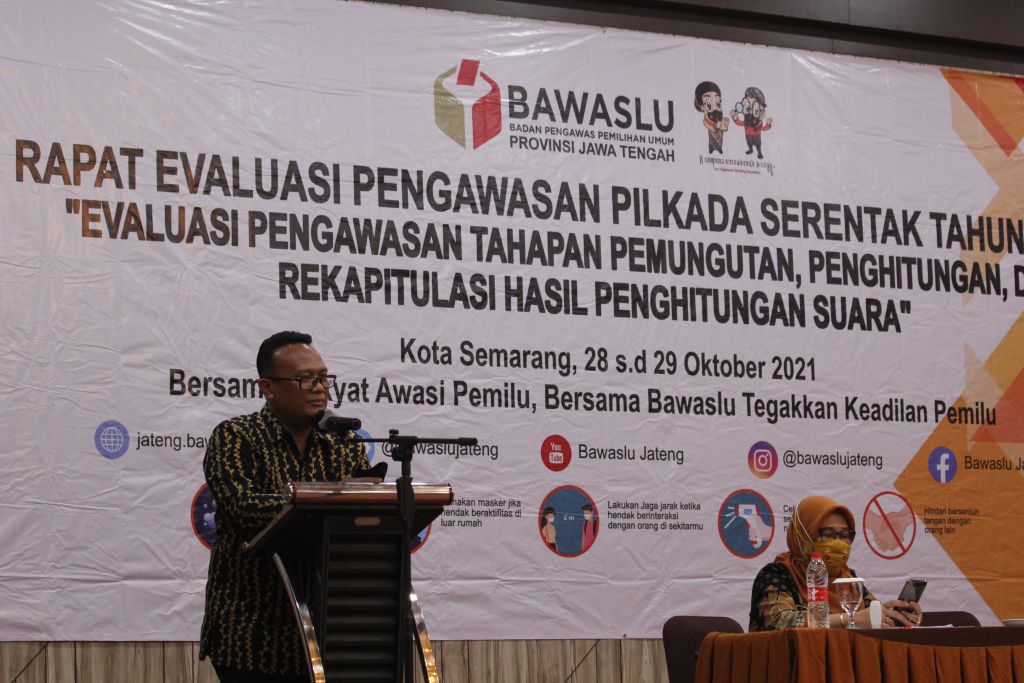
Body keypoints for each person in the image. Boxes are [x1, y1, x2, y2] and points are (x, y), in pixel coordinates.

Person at [199, 331, 369, 682]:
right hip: (251, 634)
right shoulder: (236, 437)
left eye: (323, 377)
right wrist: (327, 501)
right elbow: (246, 509)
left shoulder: (344, 443)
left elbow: (362, 511)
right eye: (305, 378)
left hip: (331, 632)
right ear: (268, 387)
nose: (319, 388)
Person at [749, 495, 922, 630]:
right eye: (828, 534)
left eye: (845, 535)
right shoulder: (777, 575)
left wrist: (891, 614)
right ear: (802, 536)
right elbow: (781, 621)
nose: (838, 543)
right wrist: (849, 619)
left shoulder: (848, 579)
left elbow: (867, 617)